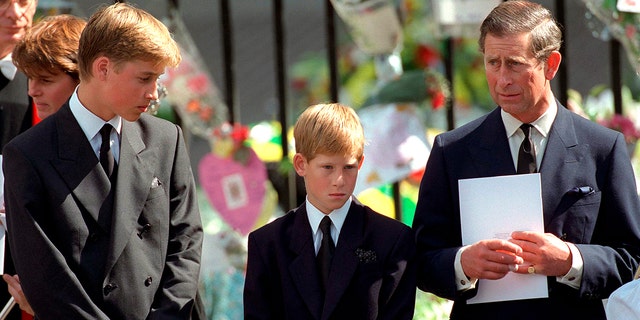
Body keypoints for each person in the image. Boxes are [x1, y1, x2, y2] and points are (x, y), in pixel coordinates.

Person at [411, 1, 640, 319]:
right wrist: (462, 264)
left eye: (515, 64)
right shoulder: (452, 150)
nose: (502, 78)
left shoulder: (603, 148)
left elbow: (629, 258)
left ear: (551, 64)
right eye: (493, 63)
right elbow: (421, 260)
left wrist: (570, 260)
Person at [2, 3, 203, 319]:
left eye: (157, 79)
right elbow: (46, 276)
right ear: (103, 68)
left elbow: (186, 241)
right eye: (145, 78)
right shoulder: (28, 154)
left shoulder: (167, 138)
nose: (154, 93)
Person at [243, 103, 417, 320]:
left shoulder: (392, 240)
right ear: (300, 164)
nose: (339, 181)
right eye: (327, 167)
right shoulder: (267, 244)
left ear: (361, 163)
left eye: (349, 167)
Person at [0, 13, 86, 317]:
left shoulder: (133, 140)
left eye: (45, 80)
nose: (32, 90)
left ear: (83, 76)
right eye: (29, 78)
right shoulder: (29, 149)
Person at [0, 1, 37, 319]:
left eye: (24, 0)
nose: (15, 13)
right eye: (2, 2)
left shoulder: (48, 77)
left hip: (24, 254)